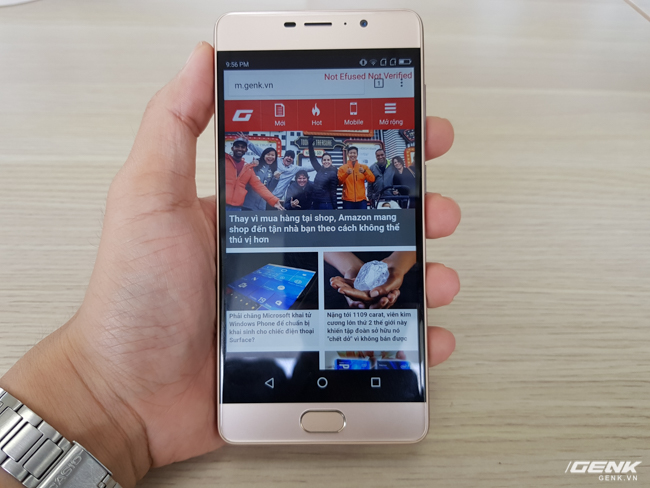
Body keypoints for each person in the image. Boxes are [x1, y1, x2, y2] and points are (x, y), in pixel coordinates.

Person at [0, 42, 460, 488]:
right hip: (248, 219)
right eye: (248, 153)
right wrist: (102, 393)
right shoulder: (268, 167)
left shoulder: (312, 173)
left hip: (325, 220)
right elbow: (300, 190)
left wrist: (106, 403)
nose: (248, 157)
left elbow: (275, 192)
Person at [225, 138, 284, 211]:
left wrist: (273, 200)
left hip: (238, 208)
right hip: (224, 204)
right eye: (237, 146)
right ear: (232, 148)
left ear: (246, 150)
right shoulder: (223, 162)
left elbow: (258, 186)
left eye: (243, 147)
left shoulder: (247, 168)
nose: (240, 149)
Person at [307, 136, 338, 209]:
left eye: (328, 160)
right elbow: (313, 159)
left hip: (326, 203)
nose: (326, 162)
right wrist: (310, 145)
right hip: (316, 202)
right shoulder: (319, 169)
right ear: (322, 161)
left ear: (331, 161)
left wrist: (335, 206)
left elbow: (333, 191)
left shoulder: (333, 173)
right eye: (324, 160)